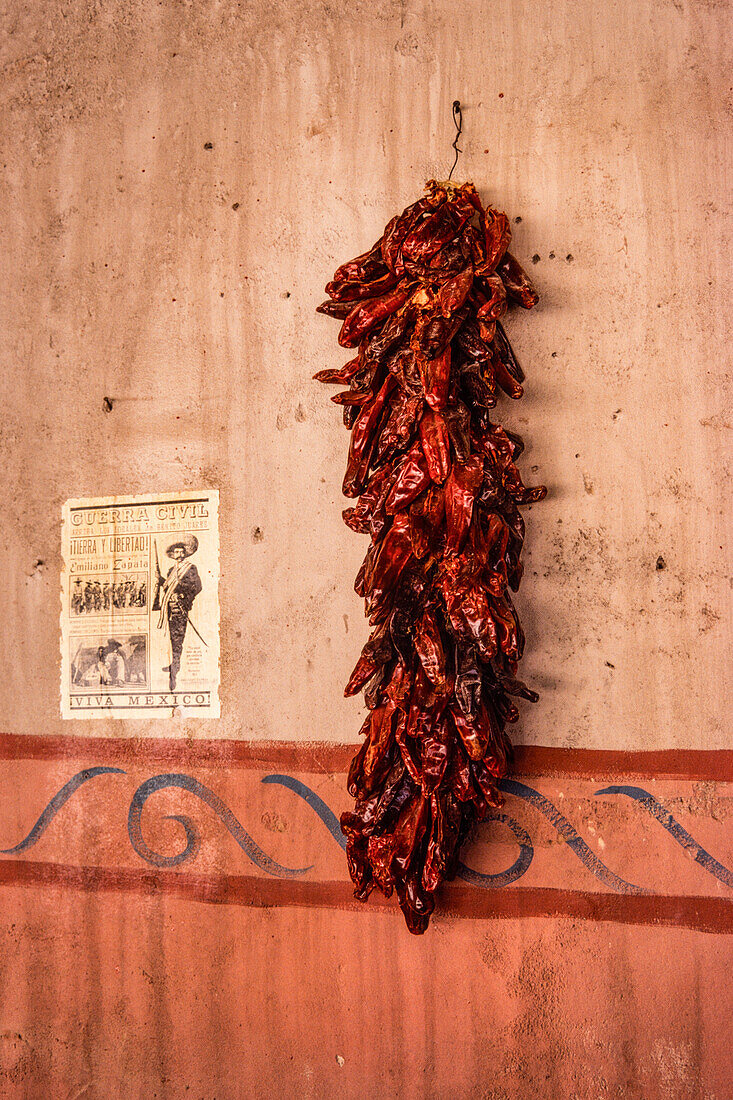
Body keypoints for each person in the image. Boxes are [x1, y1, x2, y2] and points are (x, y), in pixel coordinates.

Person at [153, 534, 202, 691]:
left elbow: (196, 587)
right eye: (176, 552)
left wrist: (183, 594)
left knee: (177, 637)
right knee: (171, 637)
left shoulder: (190, 568)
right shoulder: (170, 570)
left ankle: (175, 668)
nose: (179, 555)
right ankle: (174, 663)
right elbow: (167, 586)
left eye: (181, 552)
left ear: (185, 553)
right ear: (173, 555)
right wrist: (160, 580)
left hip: (180, 608)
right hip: (169, 608)